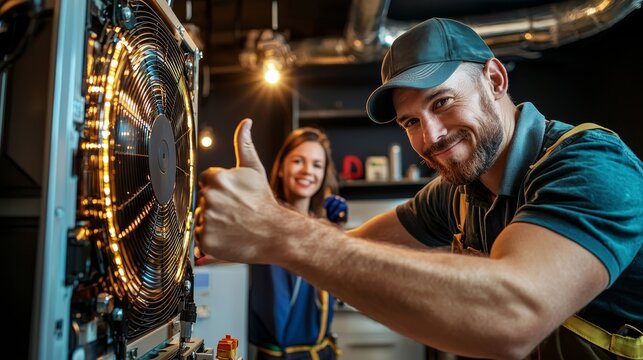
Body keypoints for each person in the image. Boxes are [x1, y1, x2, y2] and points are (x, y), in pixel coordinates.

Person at [196, 17, 642, 359]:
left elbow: (513, 313)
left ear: (495, 80)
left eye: (442, 102)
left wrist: (278, 232)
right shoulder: (459, 191)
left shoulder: (591, 166)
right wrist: (249, 240)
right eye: (410, 121)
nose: (430, 138)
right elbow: (347, 252)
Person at [248, 127, 346, 360]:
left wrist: (339, 237)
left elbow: (342, 289)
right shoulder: (258, 226)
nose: (307, 171)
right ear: (281, 168)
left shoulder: (326, 228)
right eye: (298, 161)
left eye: (316, 165)